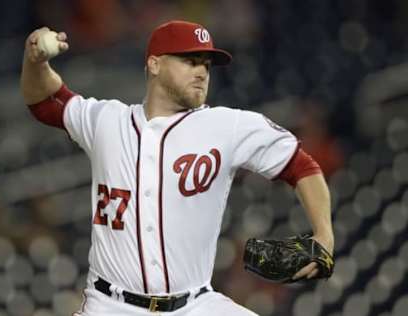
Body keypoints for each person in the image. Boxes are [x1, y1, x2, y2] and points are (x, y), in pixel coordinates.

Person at [21, 20, 334, 316]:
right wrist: (35, 60)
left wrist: (324, 234)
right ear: (154, 64)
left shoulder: (226, 126)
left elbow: (300, 166)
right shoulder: (107, 121)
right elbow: (46, 102)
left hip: (195, 304)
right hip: (112, 306)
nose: (201, 72)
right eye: (189, 61)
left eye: (206, 65)